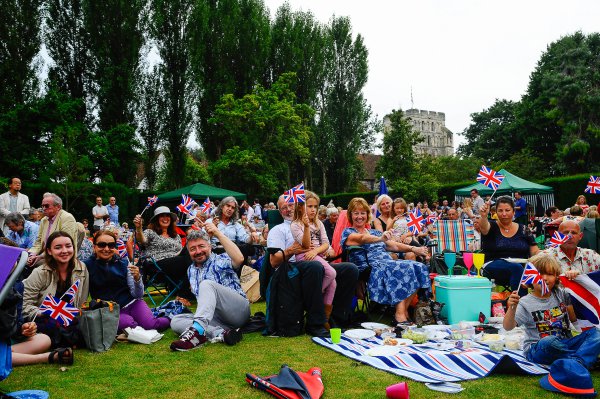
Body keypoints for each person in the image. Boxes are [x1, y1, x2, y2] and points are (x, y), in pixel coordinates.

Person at [268, 195, 358, 336]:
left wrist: (327, 251)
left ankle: (336, 319)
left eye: (290, 205)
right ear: (279, 211)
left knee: (350, 269)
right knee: (315, 267)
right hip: (292, 269)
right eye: (283, 207)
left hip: (317, 259)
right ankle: (315, 322)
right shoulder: (278, 230)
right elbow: (274, 262)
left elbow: (326, 246)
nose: (288, 209)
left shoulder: (316, 223)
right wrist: (292, 250)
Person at [341, 197, 430, 325]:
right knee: (396, 268)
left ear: (367, 215)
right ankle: (400, 316)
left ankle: (403, 310)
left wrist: (414, 248)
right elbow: (362, 238)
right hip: (369, 267)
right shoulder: (348, 232)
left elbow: (393, 245)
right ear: (350, 215)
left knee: (419, 267)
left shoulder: (375, 232)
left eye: (362, 213)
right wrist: (380, 239)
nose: (359, 216)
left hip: (386, 262)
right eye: (356, 213)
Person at [503, 252, 600, 369]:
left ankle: (576, 361)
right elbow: (508, 327)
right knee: (549, 341)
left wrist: (576, 277)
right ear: (530, 278)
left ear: (556, 277)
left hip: (566, 344)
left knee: (597, 333)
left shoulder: (561, 294)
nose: (544, 278)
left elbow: (576, 312)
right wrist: (512, 308)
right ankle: (582, 359)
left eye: (549, 274)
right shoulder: (525, 302)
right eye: (539, 274)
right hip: (539, 348)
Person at [169, 226, 248, 351]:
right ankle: (221, 334)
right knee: (176, 320)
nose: (198, 251)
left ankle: (198, 332)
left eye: (201, 246)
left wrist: (217, 233)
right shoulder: (191, 270)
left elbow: (239, 258)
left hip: (238, 312)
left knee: (206, 284)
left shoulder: (221, 259)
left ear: (210, 246)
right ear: (189, 252)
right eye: (193, 249)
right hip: (217, 319)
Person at [84, 230, 170, 332]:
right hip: (109, 310)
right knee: (129, 324)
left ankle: (171, 317)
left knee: (151, 325)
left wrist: (138, 279)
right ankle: (141, 321)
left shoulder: (124, 262)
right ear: (94, 246)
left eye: (111, 245)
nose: (106, 249)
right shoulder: (87, 266)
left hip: (132, 303)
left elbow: (138, 295)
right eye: (102, 245)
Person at [22, 231, 89, 347]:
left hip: (71, 317)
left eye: (68, 246)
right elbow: (25, 305)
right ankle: (68, 340)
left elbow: (82, 299)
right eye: (58, 247)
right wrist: (44, 312)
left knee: (85, 324)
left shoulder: (81, 268)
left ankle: (66, 338)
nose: (64, 251)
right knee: (54, 323)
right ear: (49, 251)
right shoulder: (40, 272)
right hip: (43, 318)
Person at [290, 191, 336, 329]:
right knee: (331, 273)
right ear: (300, 208)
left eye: (315, 206)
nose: (313, 209)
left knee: (333, 284)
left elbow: (326, 243)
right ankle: (309, 301)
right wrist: (305, 227)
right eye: (309, 206)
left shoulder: (319, 223)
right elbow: (304, 244)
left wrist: (316, 250)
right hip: (304, 257)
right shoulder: (295, 225)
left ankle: (325, 319)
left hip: (317, 254)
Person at [479, 196, 539, 296]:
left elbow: (535, 251)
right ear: (495, 212)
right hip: (493, 264)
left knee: (546, 265)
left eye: (507, 210)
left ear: (513, 211)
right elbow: (484, 227)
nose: (504, 214)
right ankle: (521, 303)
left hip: (521, 265)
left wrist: (544, 254)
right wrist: (484, 216)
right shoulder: (491, 226)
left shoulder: (524, 229)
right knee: (516, 268)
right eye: (500, 210)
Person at [133, 206, 193, 300]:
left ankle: (188, 290)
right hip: (156, 264)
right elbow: (142, 240)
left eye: (167, 216)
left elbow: (179, 252)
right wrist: (139, 228)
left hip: (175, 262)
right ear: (156, 219)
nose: (165, 218)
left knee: (193, 253)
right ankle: (183, 294)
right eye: (162, 216)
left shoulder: (175, 235)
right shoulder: (150, 232)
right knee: (189, 258)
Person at [28, 193, 79, 268]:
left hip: (61, 257)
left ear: (58, 207)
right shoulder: (44, 220)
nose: (43, 208)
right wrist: (32, 254)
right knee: (24, 262)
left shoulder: (67, 218)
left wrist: (40, 257)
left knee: (33, 266)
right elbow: (38, 241)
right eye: (42, 206)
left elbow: (64, 245)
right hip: (46, 255)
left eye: (47, 206)